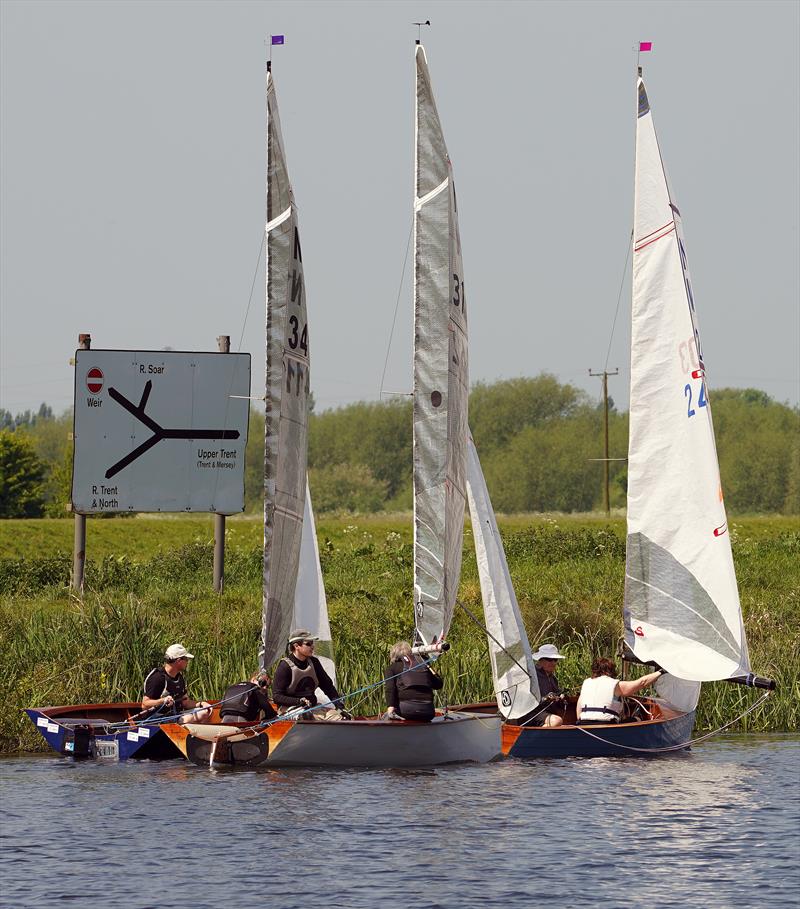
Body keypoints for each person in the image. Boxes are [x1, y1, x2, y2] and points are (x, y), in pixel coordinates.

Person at [272, 630, 349, 719]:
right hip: (290, 709)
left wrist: (339, 707)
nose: (312, 647)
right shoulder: (285, 666)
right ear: (296, 646)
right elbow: (277, 697)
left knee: (341, 717)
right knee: (307, 717)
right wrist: (298, 701)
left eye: (312, 643)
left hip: (313, 706)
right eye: (308, 644)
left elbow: (328, 687)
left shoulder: (314, 663)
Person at [576, 657, 663, 724]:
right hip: (607, 724)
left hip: (584, 724)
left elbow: (579, 710)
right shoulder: (615, 684)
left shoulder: (586, 683)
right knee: (637, 719)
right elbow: (642, 682)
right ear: (610, 670)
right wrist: (660, 672)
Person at [142, 644, 212, 723]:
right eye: (186, 659)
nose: (187, 662)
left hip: (175, 715)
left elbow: (185, 703)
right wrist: (163, 700)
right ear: (179, 661)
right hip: (157, 718)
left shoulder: (179, 677)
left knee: (204, 712)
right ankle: (186, 734)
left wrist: (201, 704)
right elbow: (144, 705)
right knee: (188, 719)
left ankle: (196, 734)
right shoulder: (157, 678)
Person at [384, 640, 444, 722]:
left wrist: (390, 708)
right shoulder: (423, 665)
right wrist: (428, 666)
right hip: (428, 712)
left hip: (405, 711)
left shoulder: (392, 668)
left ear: (394, 654)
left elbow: (390, 689)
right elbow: (439, 684)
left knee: (385, 717)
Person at [528, 643, 566, 728]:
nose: (553, 662)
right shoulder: (532, 676)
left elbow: (557, 698)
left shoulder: (553, 679)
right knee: (557, 721)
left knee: (560, 724)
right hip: (532, 714)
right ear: (540, 660)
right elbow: (526, 698)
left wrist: (561, 698)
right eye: (549, 659)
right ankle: (535, 738)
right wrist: (545, 698)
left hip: (546, 714)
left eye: (555, 660)